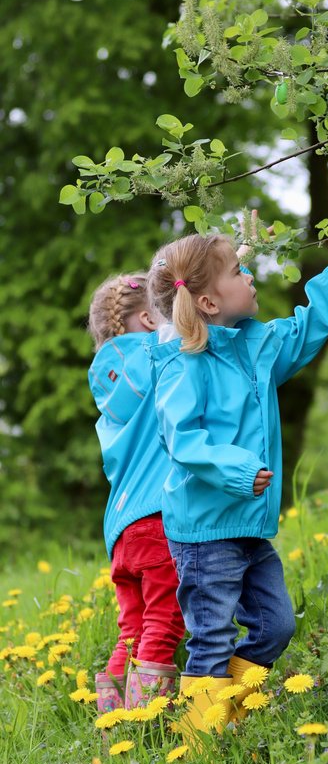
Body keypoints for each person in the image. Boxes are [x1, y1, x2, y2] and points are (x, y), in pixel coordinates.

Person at [145, 221, 328, 741]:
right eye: (237, 271)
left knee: (276, 626)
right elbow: (184, 441)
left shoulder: (257, 345)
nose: (251, 276)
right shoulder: (185, 366)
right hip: (205, 533)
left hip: (247, 526)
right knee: (211, 638)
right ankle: (198, 746)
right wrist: (241, 471)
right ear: (207, 302)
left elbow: (305, 330)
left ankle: (226, 717)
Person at [87, 273, 185, 713]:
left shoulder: (104, 380)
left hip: (121, 528)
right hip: (157, 517)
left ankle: (111, 711)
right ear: (147, 318)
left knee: (134, 627)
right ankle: (146, 720)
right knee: (165, 619)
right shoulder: (156, 354)